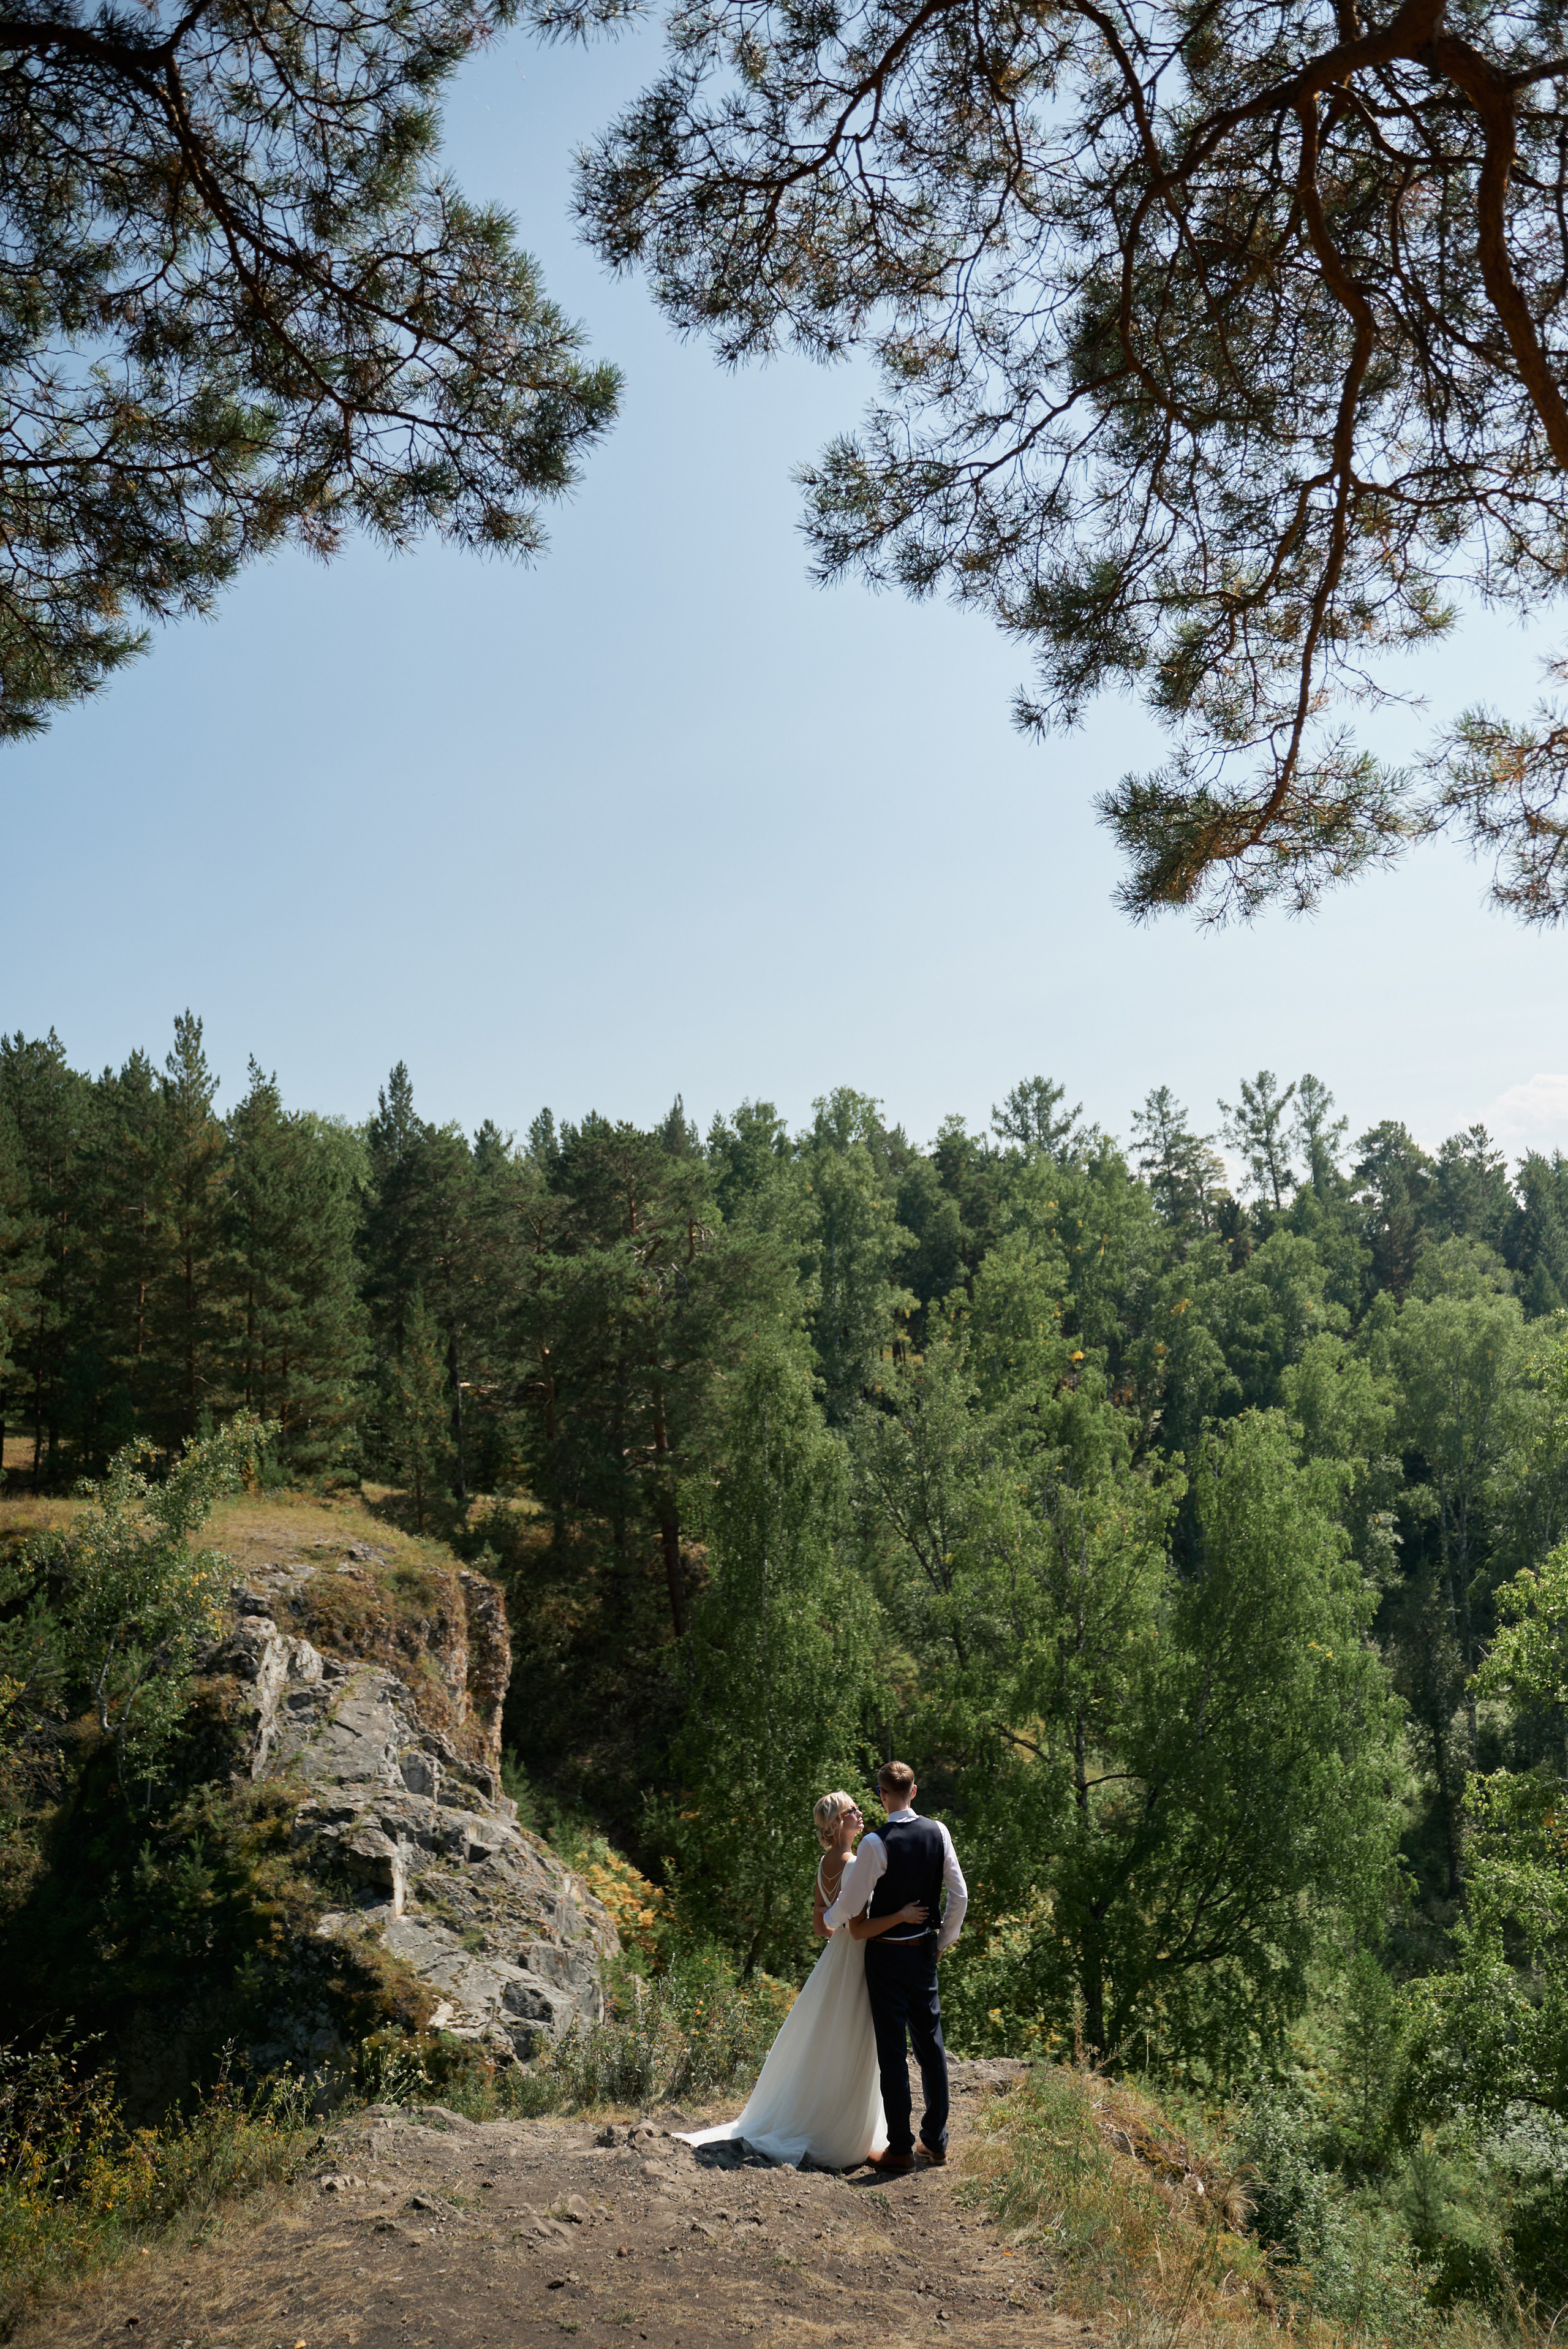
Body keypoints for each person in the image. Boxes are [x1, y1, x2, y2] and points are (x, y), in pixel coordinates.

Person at [674, 1790, 931, 2169]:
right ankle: (844, 2133)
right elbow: (860, 1930)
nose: (860, 1814)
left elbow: (820, 1927)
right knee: (855, 2045)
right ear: (836, 1823)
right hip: (860, 1961)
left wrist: (843, 1930)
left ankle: (829, 2117)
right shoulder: (852, 1864)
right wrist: (902, 1916)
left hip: (835, 1961)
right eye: (851, 1811)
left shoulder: (823, 1865)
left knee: (831, 2042)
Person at [823, 1760, 968, 2174]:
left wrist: (827, 1922)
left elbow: (850, 1907)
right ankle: (936, 2144)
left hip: (885, 1955)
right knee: (931, 2046)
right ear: (915, 1792)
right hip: (923, 1953)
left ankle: (900, 2149)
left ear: (882, 1796)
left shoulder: (874, 1843)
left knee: (893, 2052)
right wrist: (941, 1942)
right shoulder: (939, 1833)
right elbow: (959, 1896)